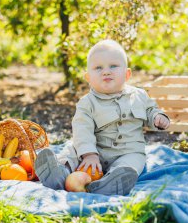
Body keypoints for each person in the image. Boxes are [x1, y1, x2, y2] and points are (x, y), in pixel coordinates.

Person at [35, 39, 170, 195]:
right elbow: (82, 130)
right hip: (92, 151)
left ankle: (112, 182)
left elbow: (151, 110)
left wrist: (158, 117)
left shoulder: (139, 95)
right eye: (98, 68)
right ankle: (59, 172)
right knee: (71, 150)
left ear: (127, 74)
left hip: (128, 152)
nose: (106, 71)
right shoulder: (87, 103)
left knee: (132, 164)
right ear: (88, 78)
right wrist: (89, 154)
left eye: (113, 66)